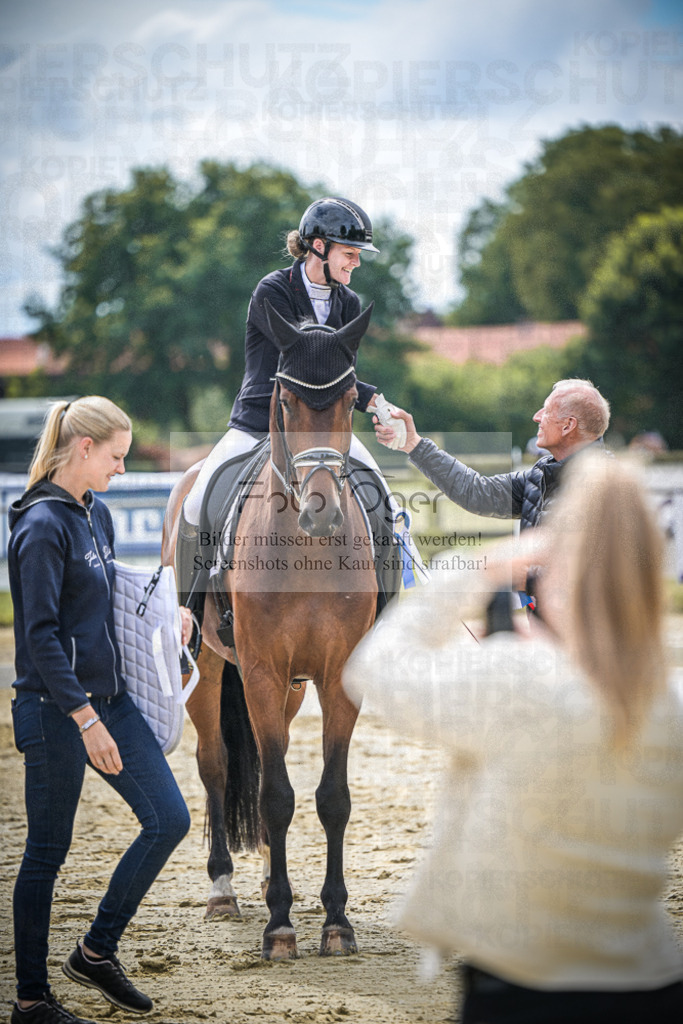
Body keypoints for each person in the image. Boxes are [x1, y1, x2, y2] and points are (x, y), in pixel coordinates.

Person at [343, 453, 683, 1023]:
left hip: (526, 985)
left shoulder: (518, 679)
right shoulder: (670, 703)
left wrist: (476, 569)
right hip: (653, 977)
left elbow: (372, 670)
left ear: (559, 571)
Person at [8, 397, 192, 1024]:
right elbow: (39, 637)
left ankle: (95, 951)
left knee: (168, 819)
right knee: (47, 852)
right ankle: (31, 999)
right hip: (55, 710)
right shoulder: (41, 525)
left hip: (112, 702)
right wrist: (84, 720)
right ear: (84, 448)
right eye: (116, 456)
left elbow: (110, 596)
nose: (121, 468)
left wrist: (171, 614)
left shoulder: (97, 513)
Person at [178, 196, 426, 616]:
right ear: (318, 247)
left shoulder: (348, 303)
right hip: (259, 422)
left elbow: (340, 377)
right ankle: (191, 618)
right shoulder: (273, 290)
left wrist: (379, 406)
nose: (356, 263)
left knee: (384, 502)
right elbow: (307, 362)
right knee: (196, 500)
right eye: (350, 253)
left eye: (358, 255)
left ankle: (384, 620)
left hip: (325, 426)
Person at [374, 378, 610, 601]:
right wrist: (414, 444)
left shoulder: (606, 488)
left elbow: (599, 577)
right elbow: (477, 492)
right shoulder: (541, 475)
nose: (536, 417)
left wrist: (521, 578)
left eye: (546, 411)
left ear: (568, 425)